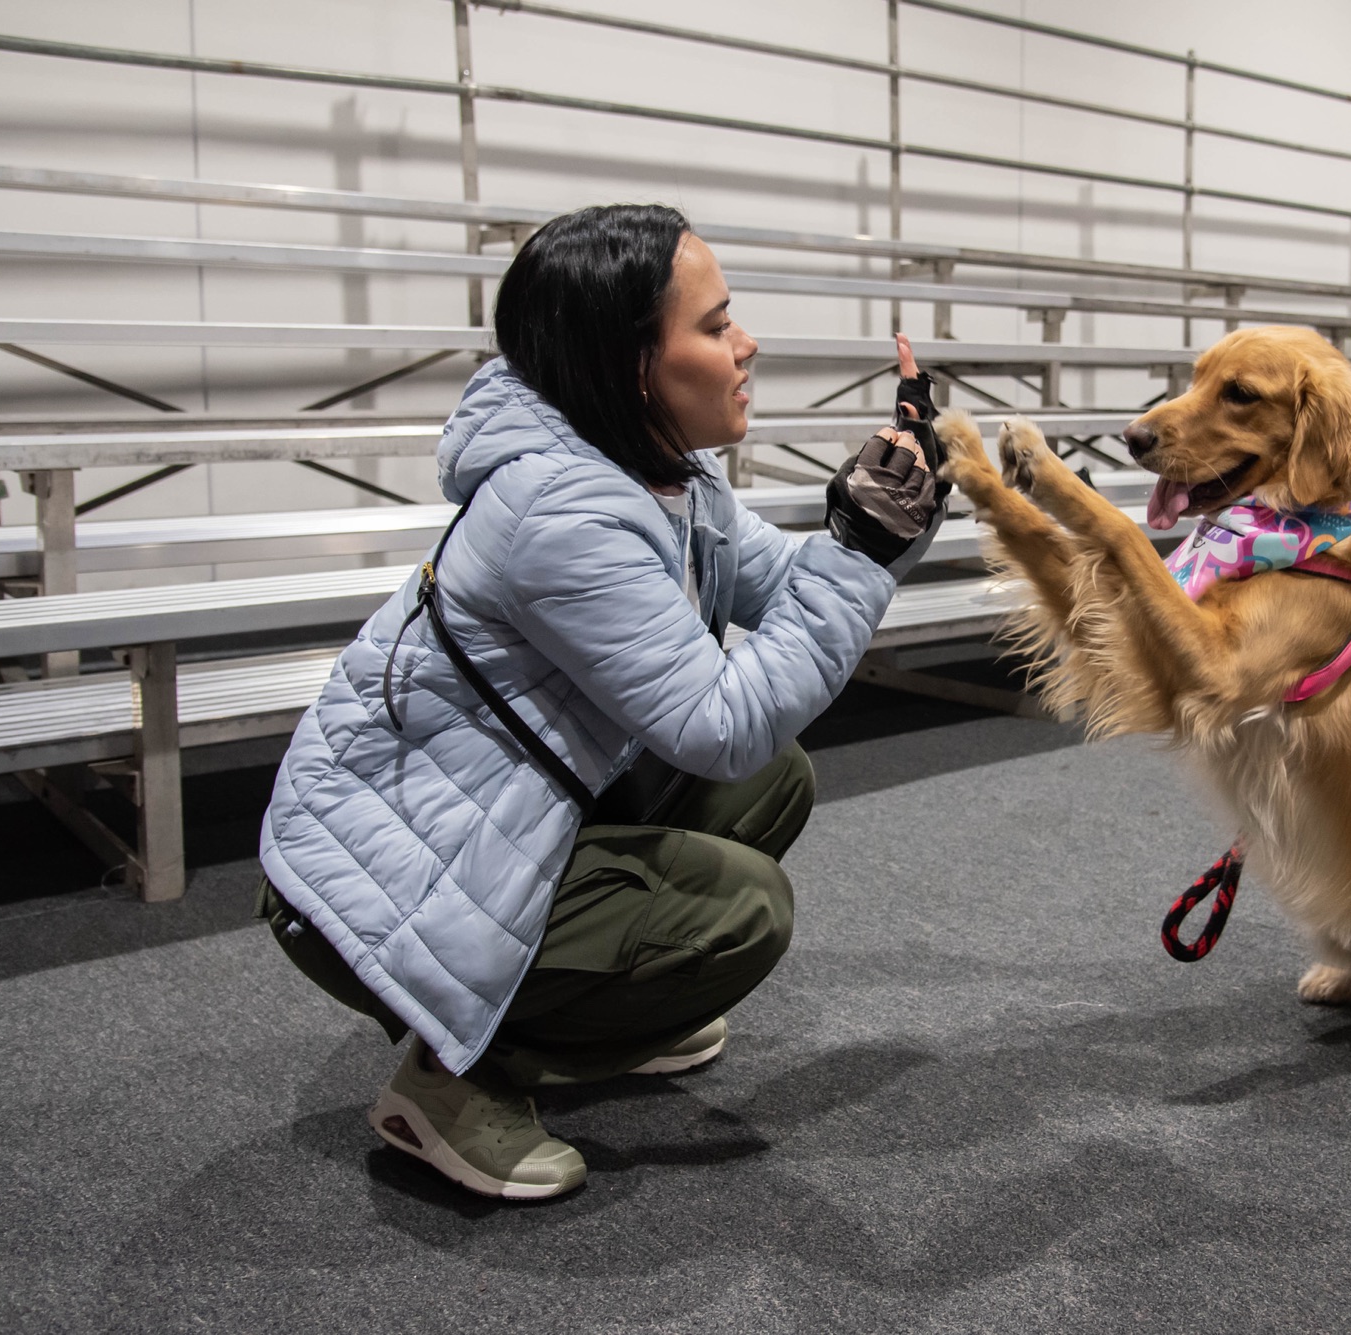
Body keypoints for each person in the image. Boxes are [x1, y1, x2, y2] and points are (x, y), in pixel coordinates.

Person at [256, 203, 949, 1199]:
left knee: (772, 780)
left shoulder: (657, 470)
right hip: (372, 880)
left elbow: (786, 586)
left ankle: (605, 1009)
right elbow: (718, 723)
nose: (744, 345)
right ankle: (453, 1083)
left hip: (484, 818)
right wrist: (864, 549)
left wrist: (882, 515)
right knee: (738, 913)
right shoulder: (561, 511)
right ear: (634, 365)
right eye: (714, 327)